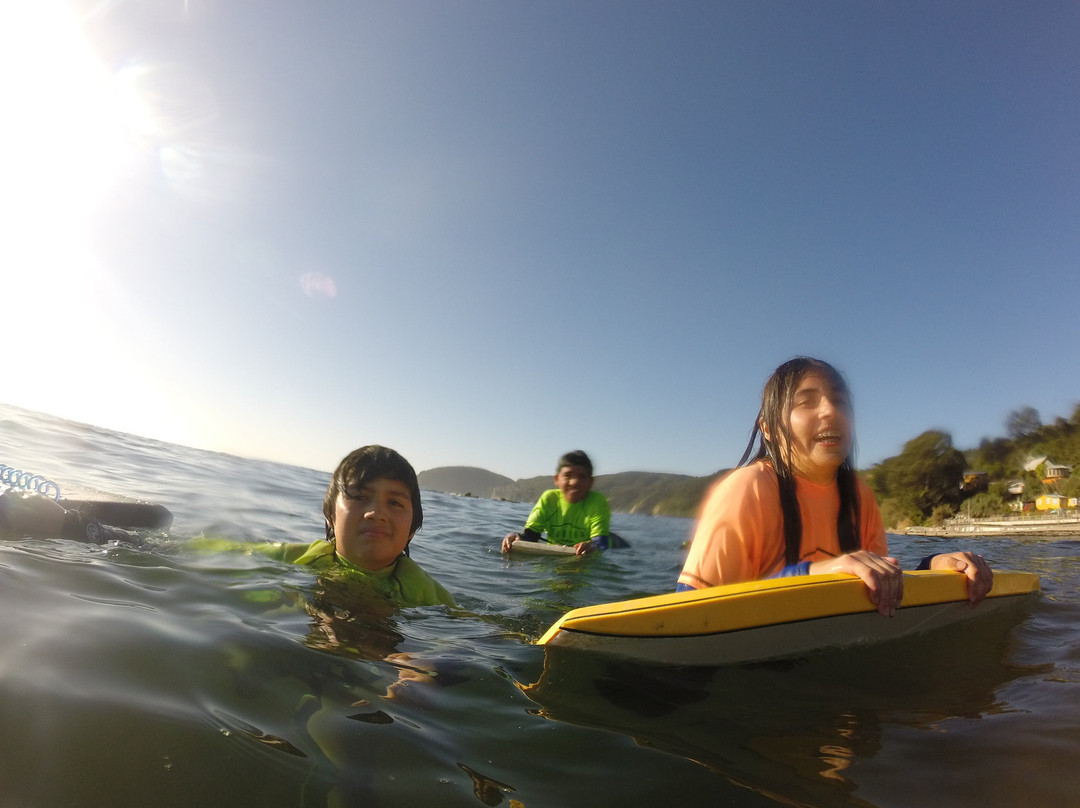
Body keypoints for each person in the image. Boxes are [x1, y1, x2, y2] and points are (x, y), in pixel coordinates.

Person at [677, 357, 993, 616]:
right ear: (770, 427)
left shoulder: (859, 496)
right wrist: (813, 575)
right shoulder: (747, 489)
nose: (830, 411)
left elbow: (881, 597)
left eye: (839, 401)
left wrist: (933, 567)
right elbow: (690, 614)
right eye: (807, 402)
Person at [0, 445, 455, 608]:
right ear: (330, 516)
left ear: (414, 526)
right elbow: (187, 553)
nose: (377, 512)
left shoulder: (427, 596)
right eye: (358, 497)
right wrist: (76, 527)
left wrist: (430, 669)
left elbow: (475, 640)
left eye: (395, 502)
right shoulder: (291, 559)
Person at [502, 450, 613, 556]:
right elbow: (530, 535)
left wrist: (591, 547)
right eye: (568, 475)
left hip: (585, 561)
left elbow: (600, 543)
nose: (574, 482)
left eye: (582, 476)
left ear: (590, 482)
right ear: (557, 479)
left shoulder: (597, 502)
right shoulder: (549, 499)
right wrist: (514, 537)